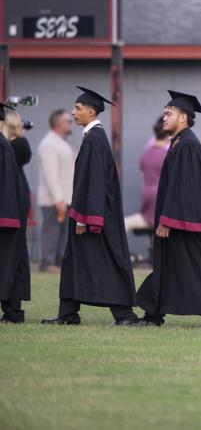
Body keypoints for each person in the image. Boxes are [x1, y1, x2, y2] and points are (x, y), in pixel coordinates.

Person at [42, 87, 138, 326]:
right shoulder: (93, 137)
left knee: (105, 261)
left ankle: (125, 315)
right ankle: (68, 314)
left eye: (78, 108)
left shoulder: (95, 139)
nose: (73, 112)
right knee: (75, 261)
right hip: (87, 213)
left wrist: (86, 218)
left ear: (91, 112)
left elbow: (94, 182)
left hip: (93, 216)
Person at [136, 91, 201, 329]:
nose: (164, 117)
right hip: (184, 219)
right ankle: (153, 314)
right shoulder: (180, 142)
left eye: (169, 113)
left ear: (183, 118)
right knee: (168, 264)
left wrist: (167, 219)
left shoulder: (187, 145)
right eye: (164, 113)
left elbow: (183, 186)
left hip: (192, 222)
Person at [0, 102, 31, 323]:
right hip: (11, 202)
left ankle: (13, 312)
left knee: (10, 257)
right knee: (12, 257)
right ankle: (13, 311)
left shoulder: (7, 145)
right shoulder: (5, 144)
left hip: (8, 205)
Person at [37, 110, 75, 273]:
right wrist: (58, 198)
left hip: (66, 197)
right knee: (51, 230)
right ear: (59, 123)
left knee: (63, 233)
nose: (71, 123)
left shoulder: (62, 143)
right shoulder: (49, 144)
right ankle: (47, 262)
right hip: (53, 199)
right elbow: (50, 174)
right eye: (68, 121)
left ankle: (59, 262)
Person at [125, 118, 169, 232]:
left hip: (147, 193)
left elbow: (143, 177)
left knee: (146, 222)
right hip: (160, 194)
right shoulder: (167, 154)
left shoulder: (146, 152)